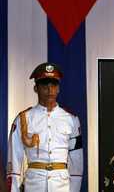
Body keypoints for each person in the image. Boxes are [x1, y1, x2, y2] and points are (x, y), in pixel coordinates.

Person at [6, 62, 83, 192]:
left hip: (61, 186)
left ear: (58, 88)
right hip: (34, 185)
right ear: (36, 88)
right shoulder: (23, 119)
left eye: (53, 84)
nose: (49, 89)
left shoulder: (71, 119)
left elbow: (77, 162)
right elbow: (14, 160)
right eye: (44, 84)